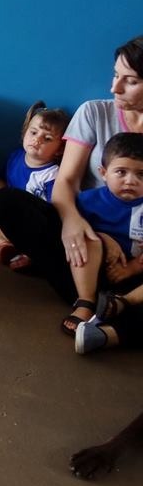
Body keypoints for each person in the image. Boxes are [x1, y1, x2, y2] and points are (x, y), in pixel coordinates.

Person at [0, 36, 143, 333]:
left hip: (136, 250)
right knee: (7, 202)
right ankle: (101, 301)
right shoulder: (94, 112)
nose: (115, 88)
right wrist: (72, 221)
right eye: (115, 75)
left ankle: (110, 302)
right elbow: (67, 180)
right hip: (83, 231)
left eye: (131, 81)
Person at [68, 133, 143, 352]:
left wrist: (131, 269)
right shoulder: (87, 201)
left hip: (134, 278)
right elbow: (73, 230)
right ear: (103, 173)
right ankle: (85, 301)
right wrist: (102, 237)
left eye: (141, 174)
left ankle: (119, 305)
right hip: (94, 270)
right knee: (85, 237)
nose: (131, 181)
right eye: (121, 172)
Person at [0, 102, 69, 269]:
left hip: (31, 226)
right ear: (25, 132)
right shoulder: (16, 157)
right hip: (5, 217)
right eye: (34, 132)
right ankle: (6, 247)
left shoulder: (52, 174)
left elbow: (53, 212)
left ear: (60, 149)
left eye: (47, 138)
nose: (37, 140)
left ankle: (31, 252)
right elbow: (2, 181)